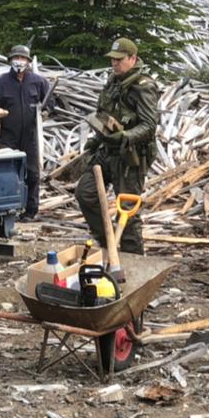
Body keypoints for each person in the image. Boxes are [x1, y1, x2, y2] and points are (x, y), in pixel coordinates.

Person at [75, 38, 159, 255]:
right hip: (107, 151)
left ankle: (133, 258)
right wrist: (97, 139)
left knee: (127, 212)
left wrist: (124, 136)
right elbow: (104, 114)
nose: (114, 63)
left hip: (131, 156)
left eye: (119, 59)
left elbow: (149, 126)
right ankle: (108, 241)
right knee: (85, 193)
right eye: (112, 59)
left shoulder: (144, 87)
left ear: (133, 58)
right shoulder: (113, 82)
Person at [0, 44, 50, 220]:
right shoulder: (0, 83)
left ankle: (30, 210)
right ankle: (7, 210)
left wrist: (46, 112)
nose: (19, 61)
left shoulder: (38, 82)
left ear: (28, 61)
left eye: (22, 58)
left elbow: (50, 103)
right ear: (10, 60)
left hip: (30, 135)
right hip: (8, 135)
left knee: (33, 174)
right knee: (8, 173)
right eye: (16, 58)